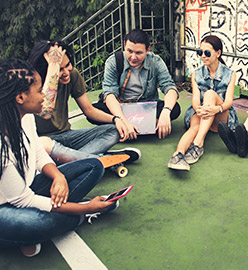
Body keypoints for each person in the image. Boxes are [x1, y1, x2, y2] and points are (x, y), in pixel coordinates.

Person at [0, 59, 117, 257]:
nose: (43, 95)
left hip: (28, 188)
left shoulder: (25, 116)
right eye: (38, 91)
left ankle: (33, 233)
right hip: (7, 205)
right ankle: (69, 217)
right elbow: (23, 201)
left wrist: (58, 177)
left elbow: (37, 151)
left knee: (94, 166)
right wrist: (86, 208)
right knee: (34, 223)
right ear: (20, 97)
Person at [28, 41, 141, 165]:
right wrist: (53, 69)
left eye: (68, 65)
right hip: (44, 143)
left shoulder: (72, 75)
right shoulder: (33, 84)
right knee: (44, 145)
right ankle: (96, 159)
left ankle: (74, 160)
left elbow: (89, 110)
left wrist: (116, 119)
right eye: (59, 69)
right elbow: (45, 112)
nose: (66, 72)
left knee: (114, 130)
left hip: (68, 136)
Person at [94, 29, 181, 140]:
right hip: (121, 107)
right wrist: (122, 120)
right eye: (129, 51)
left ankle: (132, 127)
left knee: (175, 108)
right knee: (95, 111)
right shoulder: (113, 61)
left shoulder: (155, 62)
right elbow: (109, 94)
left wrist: (166, 112)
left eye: (139, 53)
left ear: (147, 50)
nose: (133, 57)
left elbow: (169, 87)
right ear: (124, 45)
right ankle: (141, 125)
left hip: (145, 107)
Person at [167, 35, 237, 171]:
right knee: (194, 127)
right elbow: (195, 99)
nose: (203, 56)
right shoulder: (196, 74)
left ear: (218, 53)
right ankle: (178, 155)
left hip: (221, 116)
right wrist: (199, 110)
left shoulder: (230, 74)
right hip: (202, 113)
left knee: (210, 94)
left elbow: (228, 102)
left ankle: (198, 144)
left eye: (207, 53)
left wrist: (215, 109)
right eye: (200, 52)